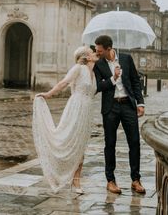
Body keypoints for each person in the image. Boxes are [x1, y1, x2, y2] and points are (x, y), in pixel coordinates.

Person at [32, 46, 98, 194]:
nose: (94, 53)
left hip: (87, 111)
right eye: (91, 52)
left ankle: (76, 181)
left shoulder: (93, 72)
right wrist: (48, 94)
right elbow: (63, 83)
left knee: (81, 146)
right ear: (87, 57)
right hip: (76, 108)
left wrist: (115, 77)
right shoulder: (78, 69)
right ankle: (58, 172)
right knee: (68, 142)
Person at [93, 35, 146, 195]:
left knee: (135, 142)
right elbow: (97, 87)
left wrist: (140, 103)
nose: (97, 52)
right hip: (110, 108)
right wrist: (113, 78)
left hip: (128, 106)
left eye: (99, 50)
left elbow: (135, 81)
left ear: (108, 49)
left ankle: (135, 180)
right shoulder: (98, 64)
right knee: (110, 144)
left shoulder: (126, 58)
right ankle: (110, 180)